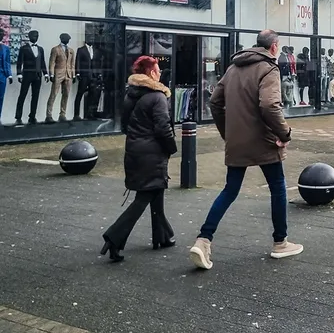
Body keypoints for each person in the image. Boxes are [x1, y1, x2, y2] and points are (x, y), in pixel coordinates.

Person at [189, 30, 301, 271]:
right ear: (273, 47)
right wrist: (284, 134)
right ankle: (280, 242)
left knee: (230, 190)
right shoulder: (269, 69)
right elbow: (270, 105)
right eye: (278, 46)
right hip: (264, 140)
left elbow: (215, 103)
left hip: (237, 141)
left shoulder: (233, 68)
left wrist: (227, 133)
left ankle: (203, 240)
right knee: (278, 187)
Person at [100, 56, 177, 262]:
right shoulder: (158, 97)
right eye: (158, 70)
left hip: (135, 150)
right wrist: (172, 147)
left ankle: (162, 236)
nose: (160, 73)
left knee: (155, 193)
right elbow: (163, 128)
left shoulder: (131, 95)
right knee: (144, 197)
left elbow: (126, 125)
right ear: (151, 73)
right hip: (152, 153)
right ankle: (114, 237)